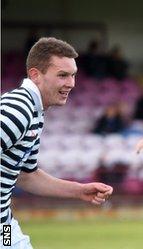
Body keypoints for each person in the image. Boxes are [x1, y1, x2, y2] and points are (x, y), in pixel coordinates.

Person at [1, 37, 114, 248]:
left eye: (73, 75)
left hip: (5, 226)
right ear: (35, 75)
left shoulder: (35, 111)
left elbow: (27, 175)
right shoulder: (19, 110)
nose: (71, 83)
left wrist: (79, 191)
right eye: (62, 75)